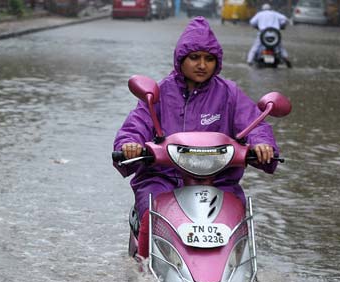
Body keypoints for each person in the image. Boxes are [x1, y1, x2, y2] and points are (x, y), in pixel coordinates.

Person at [113, 17, 280, 259]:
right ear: (181, 59)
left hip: (219, 181)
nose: (202, 65)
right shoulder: (160, 92)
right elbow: (137, 125)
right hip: (164, 179)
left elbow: (254, 122)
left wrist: (263, 145)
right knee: (152, 210)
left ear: (217, 62)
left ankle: (240, 270)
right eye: (195, 58)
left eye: (209, 59)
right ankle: (142, 275)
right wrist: (130, 145)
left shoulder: (229, 93)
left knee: (237, 214)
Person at [247, 3, 292, 67]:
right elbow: (285, 19)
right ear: (270, 9)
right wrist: (282, 25)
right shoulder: (275, 13)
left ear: (262, 9)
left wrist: (256, 26)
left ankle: (249, 61)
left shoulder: (260, 14)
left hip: (263, 35)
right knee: (281, 48)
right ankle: (286, 59)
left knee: (255, 48)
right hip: (275, 35)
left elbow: (251, 22)